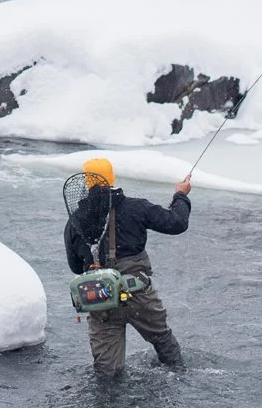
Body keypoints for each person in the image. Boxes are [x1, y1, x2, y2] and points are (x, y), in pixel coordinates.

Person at [63, 156, 191, 376]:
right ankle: (179, 379)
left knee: (107, 372)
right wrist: (181, 195)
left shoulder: (76, 221)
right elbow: (177, 223)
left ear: (87, 182)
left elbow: (76, 267)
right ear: (111, 178)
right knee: (162, 341)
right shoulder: (137, 208)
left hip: (101, 301)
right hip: (139, 297)